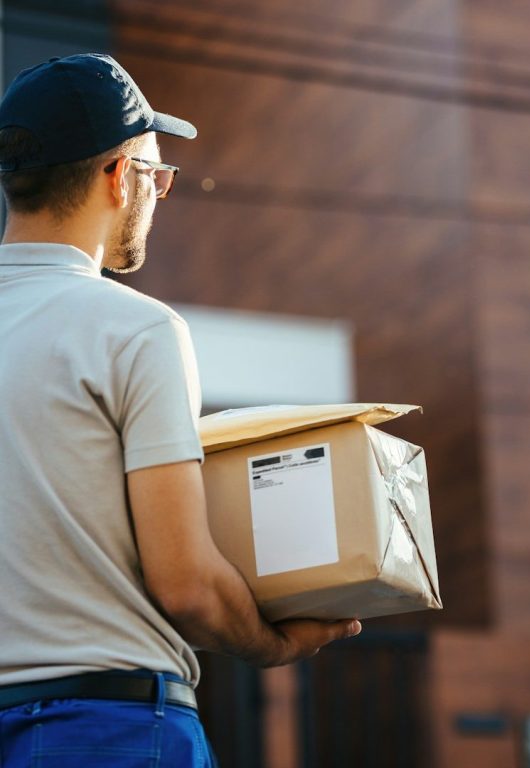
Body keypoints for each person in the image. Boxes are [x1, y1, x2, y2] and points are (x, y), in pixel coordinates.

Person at [0, 53, 361, 766]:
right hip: (109, 729)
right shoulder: (134, 329)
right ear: (117, 174)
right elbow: (186, 582)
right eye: (158, 175)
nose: (161, 195)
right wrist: (273, 644)